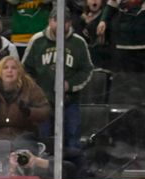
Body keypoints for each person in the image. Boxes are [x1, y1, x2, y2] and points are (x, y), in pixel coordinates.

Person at [22, 6, 94, 152]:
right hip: (42, 102)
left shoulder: (78, 42)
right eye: (57, 21)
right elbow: (25, 69)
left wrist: (71, 85)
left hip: (69, 101)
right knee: (44, 140)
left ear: (70, 23)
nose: (61, 25)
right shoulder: (37, 41)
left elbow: (88, 69)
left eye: (65, 21)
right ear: (50, 21)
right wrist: (35, 90)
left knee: (73, 138)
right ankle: (45, 171)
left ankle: (73, 171)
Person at [0, 56, 50, 170]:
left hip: (23, 137)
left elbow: (45, 110)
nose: (9, 71)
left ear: (20, 71)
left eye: (14, 68)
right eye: (5, 68)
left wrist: (29, 112)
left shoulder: (30, 87)